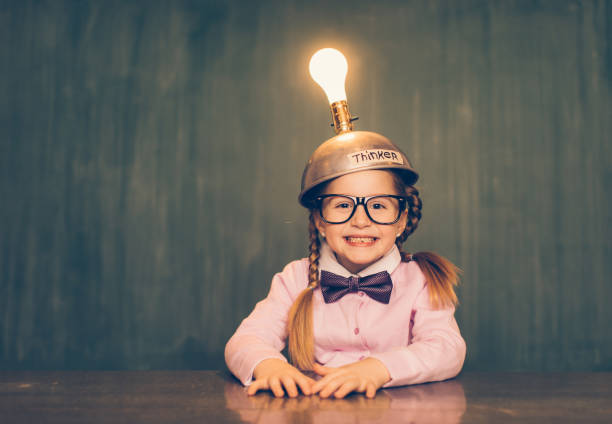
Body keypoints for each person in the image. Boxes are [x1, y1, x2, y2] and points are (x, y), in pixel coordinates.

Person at [225, 124, 466, 400]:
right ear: (319, 221)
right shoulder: (295, 278)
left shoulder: (421, 280)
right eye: (342, 205)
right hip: (316, 410)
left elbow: (447, 348)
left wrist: (379, 369)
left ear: (401, 220)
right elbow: (244, 340)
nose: (360, 221)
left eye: (378, 206)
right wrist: (268, 366)